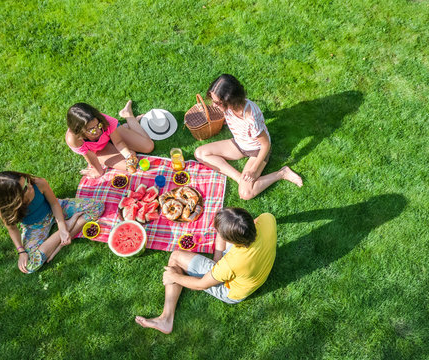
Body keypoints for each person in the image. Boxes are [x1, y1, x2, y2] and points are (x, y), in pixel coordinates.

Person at [135, 207, 277, 334]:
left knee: (175, 257)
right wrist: (218, 257)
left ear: (233, 241)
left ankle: (166, 319)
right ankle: (216, 259)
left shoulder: (231, 264)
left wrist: (174, 276)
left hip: (232, 291)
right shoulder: (267, 219)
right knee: (224, 225)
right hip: (257, 268)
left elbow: (201, 284)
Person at [194, 74, 303, 200]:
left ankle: (282, 173)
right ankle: (240, 179)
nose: (214, 105)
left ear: (231, 100)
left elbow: (265, 145)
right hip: (239, 144)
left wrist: (254, 169)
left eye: (217, 102)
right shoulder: (228, 108)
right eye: (213, 101)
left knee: (245, 194)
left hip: (256, 150)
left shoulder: (252, 118)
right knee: (200, 153)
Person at [0, 171, 104, 274]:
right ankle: (69, 227)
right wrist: (21, 251)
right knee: (29, 266)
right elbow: (12, 229)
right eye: (25, 188)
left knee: (98, 207)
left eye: (26, 181)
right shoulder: (4, 210)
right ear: (14, 198)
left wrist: (62, 227)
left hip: (56, 209)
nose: (30, 186)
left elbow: (54, 204)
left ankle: (62, 239)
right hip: (35, 227)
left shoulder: (38, 183)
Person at [65, 101, 154, 178]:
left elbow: (118, 142)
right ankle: (125, 128)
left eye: (99, 125)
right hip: (99, 149)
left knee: (148, 147)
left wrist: (128, 156)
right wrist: (98, 171)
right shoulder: (74, 139)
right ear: (80, 130)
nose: (98, 131)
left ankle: (127, 114)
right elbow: (90, 156)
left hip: (112, 135)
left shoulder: (105, 120)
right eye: (92, 130)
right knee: (130, 165)